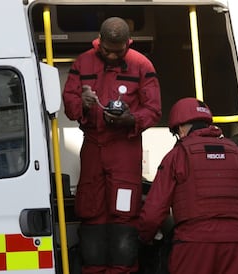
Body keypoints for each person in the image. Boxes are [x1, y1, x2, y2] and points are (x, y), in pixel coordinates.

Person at [62, 16, 162, 274]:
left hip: (125, 148)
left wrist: (131, 119)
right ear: (100, 41)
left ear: (128, 44)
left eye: (118, 52)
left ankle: (123, 270)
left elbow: (154, 109)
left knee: (124, 213)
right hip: (93, 145)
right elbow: (70, 105)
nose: (112, 55)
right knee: (90, 210)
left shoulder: (142, 65)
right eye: (106, 50)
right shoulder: (83, 62)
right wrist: (82, 103)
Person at [137, 98, 238, 274]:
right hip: (237, 247)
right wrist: (234, 230)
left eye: (177, 132)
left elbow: (153, 214)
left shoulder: (177, 156)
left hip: (192, 247)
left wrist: (143, 238)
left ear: (182, 128)